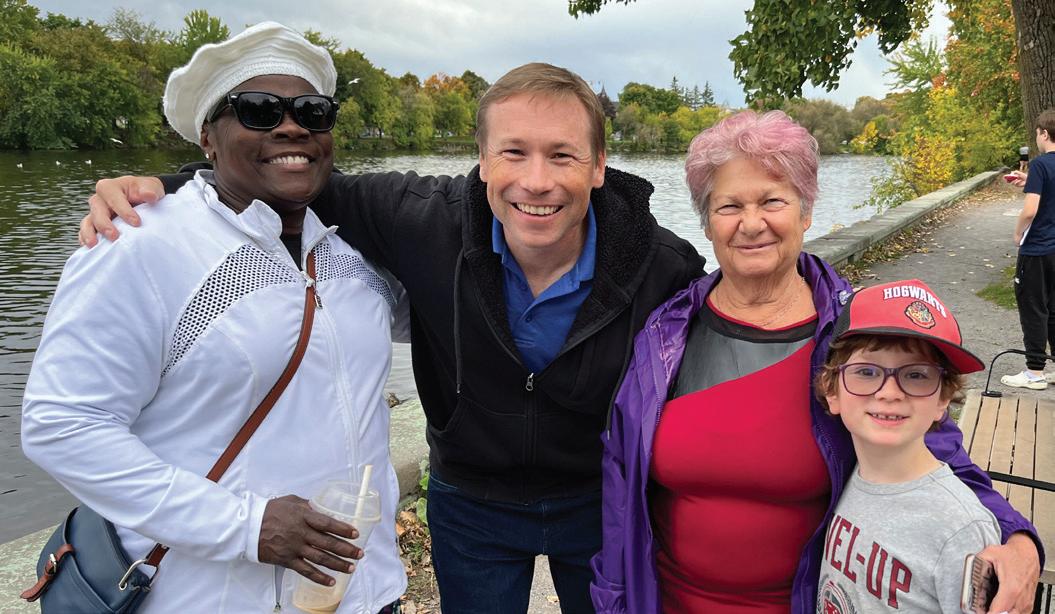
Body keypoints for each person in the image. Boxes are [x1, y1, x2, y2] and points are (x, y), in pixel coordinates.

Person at [80, 63, 705, 613]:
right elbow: (287, 175)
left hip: (600, 500)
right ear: (483, 159)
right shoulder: (422, 217)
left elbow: (720, 350)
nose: (536, 181)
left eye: (562, 155)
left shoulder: (662, 266)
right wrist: (169, 189)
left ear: (599, 165)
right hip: (473, 501)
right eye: (513, 152)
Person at [21, 22, 408, 613]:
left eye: (313, 111)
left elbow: (447, 316)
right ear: (207, 136)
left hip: (362, 590)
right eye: (259, 110)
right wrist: (245, 525)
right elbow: (63, 425)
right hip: (209, 597)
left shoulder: (352, 253)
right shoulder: (139, 247)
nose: (292, 126)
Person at [590, 110, 1041, 614]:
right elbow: (621, 485)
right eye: (730, 206)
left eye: (772, 201)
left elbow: (935, 452)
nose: (751, 224)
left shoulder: (855, 335)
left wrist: (1017, 536)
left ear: (806, 213)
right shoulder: (666, 330)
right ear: (708, 223)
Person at [814, 279, 999, 613]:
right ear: (832, 391)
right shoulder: (842, 478)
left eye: (916, 375)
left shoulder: (960, 528)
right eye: (866, 371)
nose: (889, 392)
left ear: (943, 399)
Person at [1001, 108, 1055, 390]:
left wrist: (1018, 231)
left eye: (1037, 134)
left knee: (1033, 308)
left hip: (1037, 249)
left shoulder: (1040, 164)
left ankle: (1034, 372)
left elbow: (1031, 210)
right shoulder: (1041, 170)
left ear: (1044, 134)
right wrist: (1027, 181)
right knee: (1054, 309)